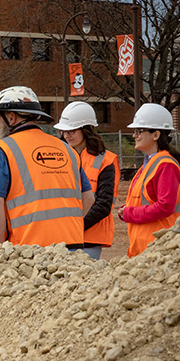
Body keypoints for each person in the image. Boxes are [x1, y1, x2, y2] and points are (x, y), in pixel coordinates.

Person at [0, 86, 95, 247]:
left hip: (29, 250)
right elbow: (88, 198)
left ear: (11, 118)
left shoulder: (2, 150)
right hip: (72, 245)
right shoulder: (67, 149)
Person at [54, 101, 121, 260]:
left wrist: (76, 227)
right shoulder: (58, 157)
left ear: (86, 129)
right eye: (64, 131)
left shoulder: (106, 160)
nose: (67, 135)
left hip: (88, 238)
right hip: (59, 235)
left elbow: (104, 205)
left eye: (72, 130)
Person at [117, 103, 180, 257]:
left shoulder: (165, 164)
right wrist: (127, 209)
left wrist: (129, 213)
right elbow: (146, 200)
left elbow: (165, 207)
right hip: (146, 247)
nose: (134, 135)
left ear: (156, 135)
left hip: (156, 248)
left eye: (139, 131)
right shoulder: (151, 164)